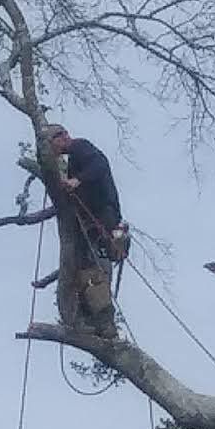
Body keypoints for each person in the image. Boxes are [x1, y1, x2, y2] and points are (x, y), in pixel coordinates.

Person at [42, 124, 127, 338]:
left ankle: (104, 321)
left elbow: (100, 164)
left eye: (53, 144)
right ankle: (90, 317)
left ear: (62, 137)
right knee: (85, 268)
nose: (54, 150)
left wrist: (76, 180)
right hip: (93, 218)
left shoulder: (80, 147)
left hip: (103, 214)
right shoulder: (73, 162)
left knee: (95, 268)